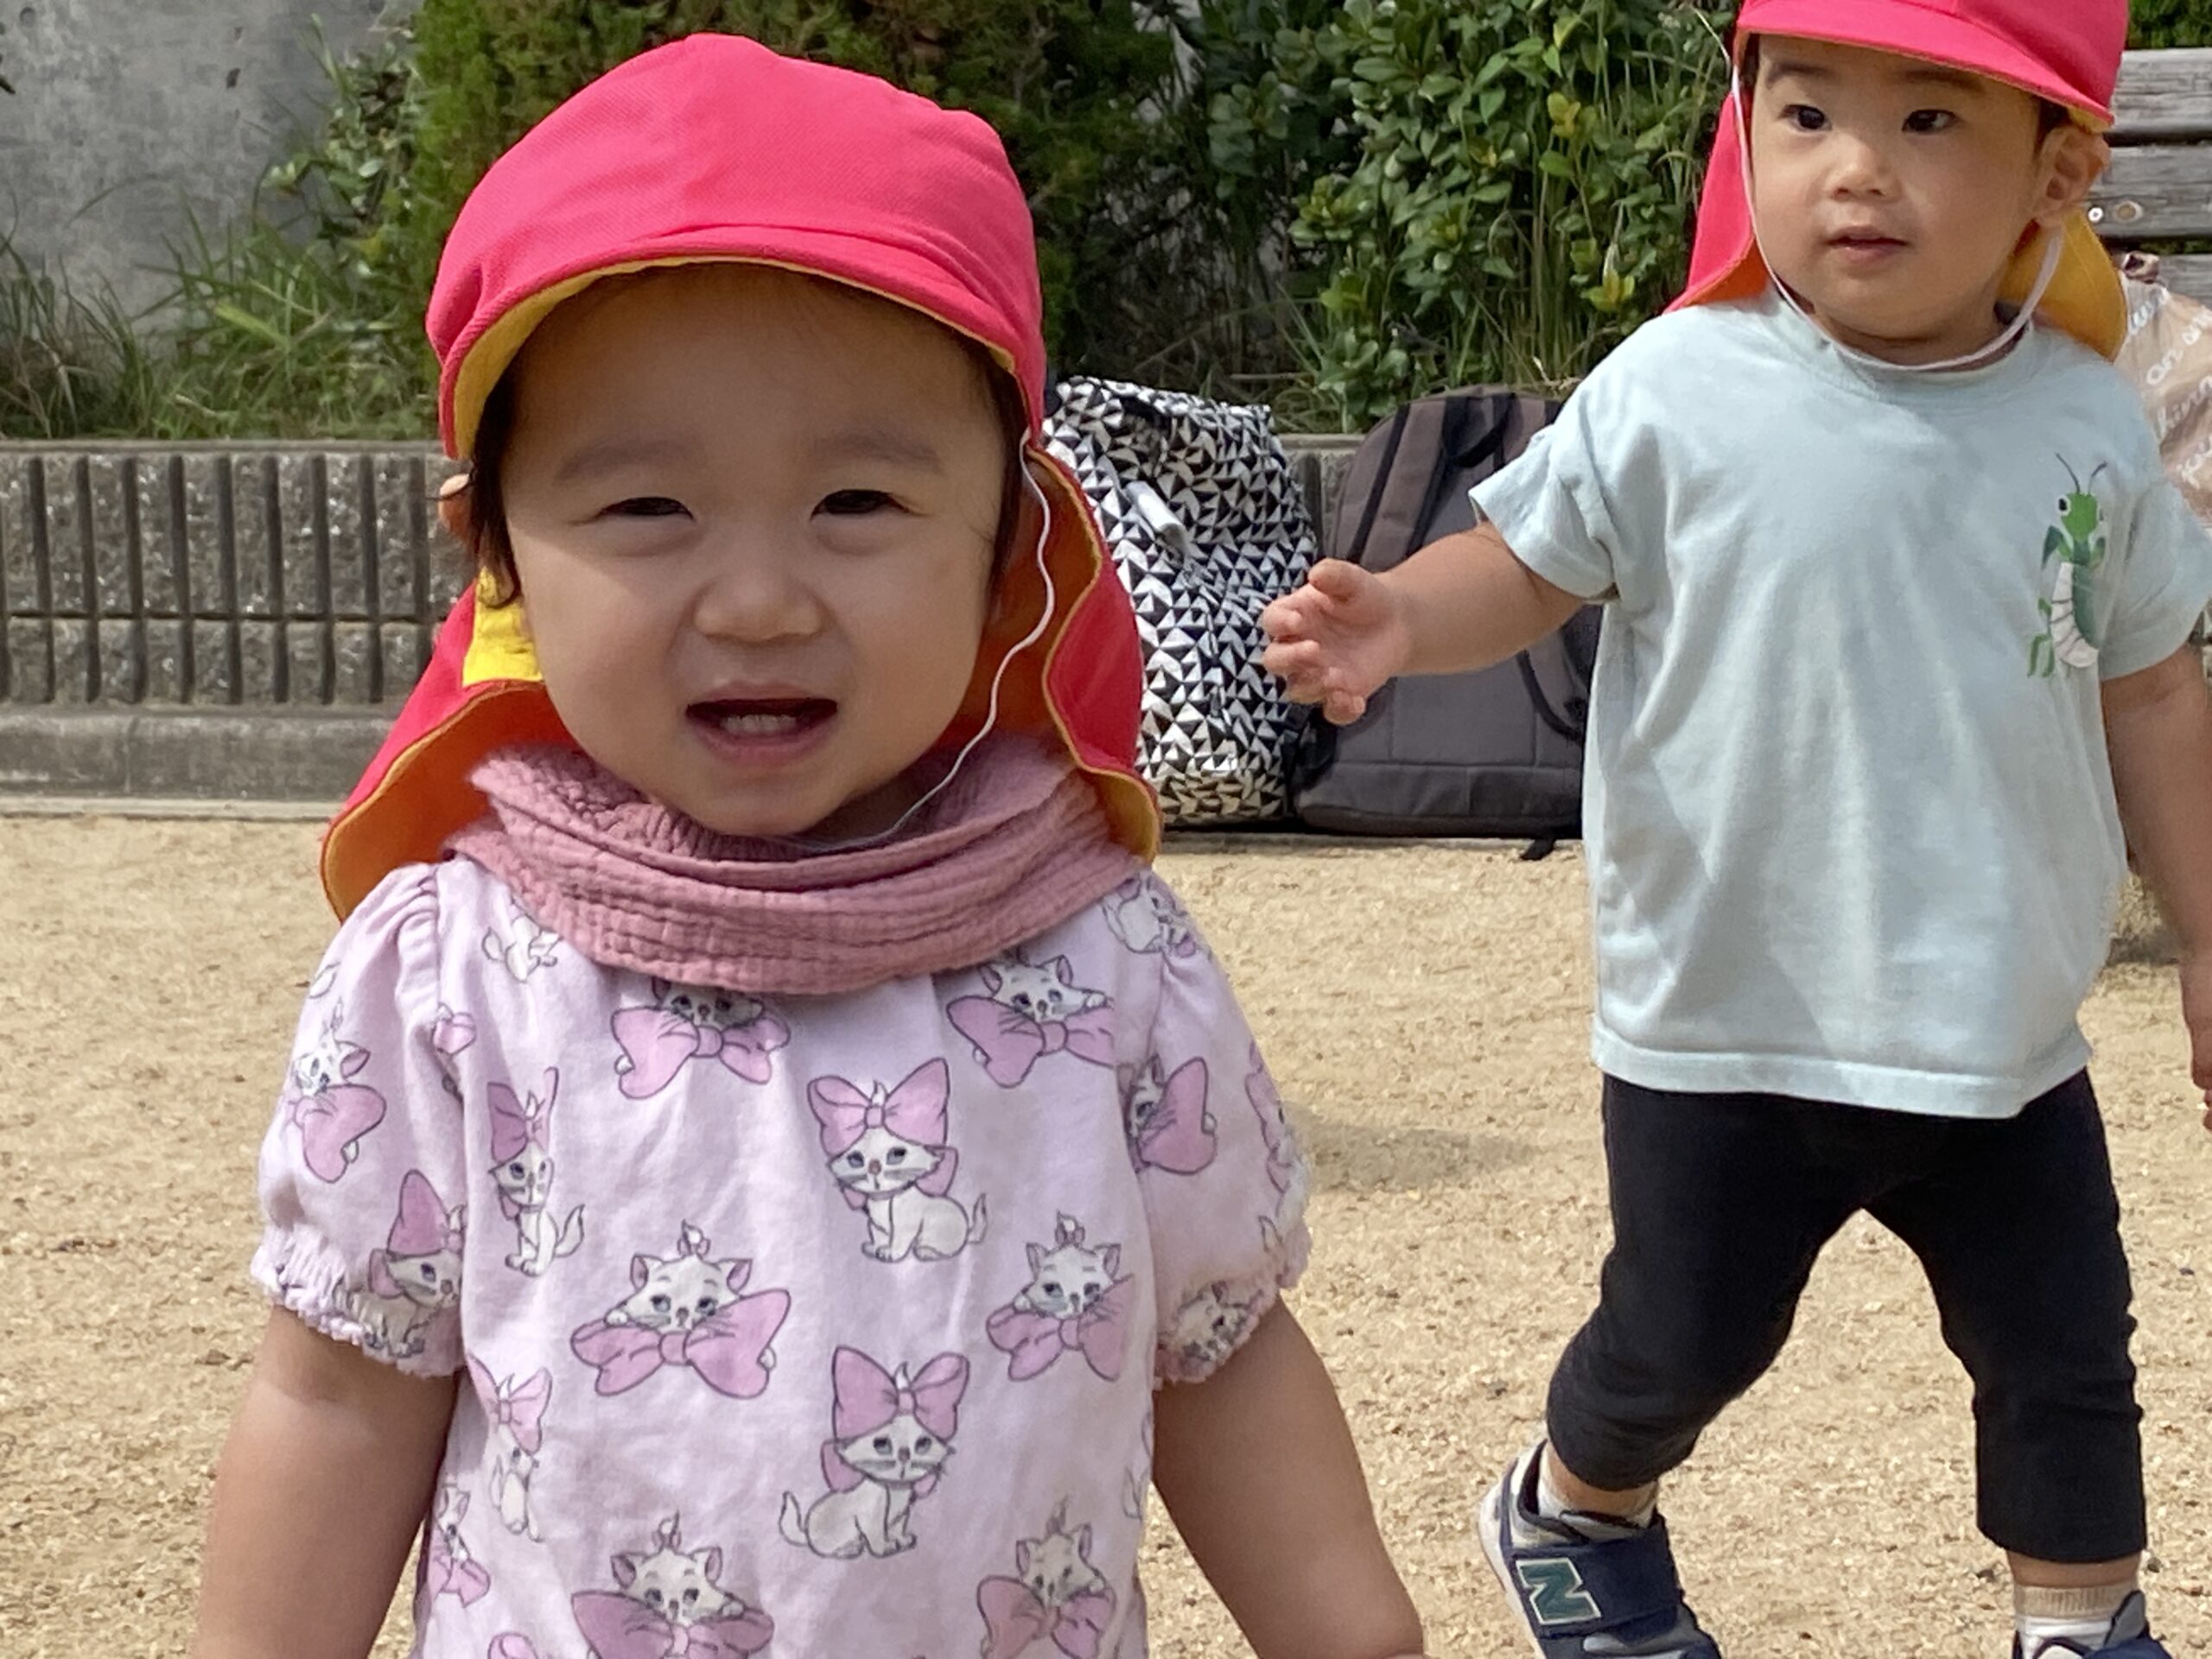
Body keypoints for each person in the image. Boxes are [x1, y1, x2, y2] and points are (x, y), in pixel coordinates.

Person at [190, 35, 1427, 1659]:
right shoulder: (452, 977)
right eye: (647, 510)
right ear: (494, 553)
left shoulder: (1099, 955)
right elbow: (343, 1397)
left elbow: (1221, 1349)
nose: (762, 601)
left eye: (857, 504)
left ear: (1011, 549)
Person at [1263, 3, 2212, 1656]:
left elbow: (2149, 689)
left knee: (2066, 1361)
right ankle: (1576, 1505)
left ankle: (2080, 1618)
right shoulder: (1682, 387)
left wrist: (2204, 932)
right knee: (1680, 1341)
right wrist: (1403, 617)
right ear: (1748, 127)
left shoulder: (2088, 422)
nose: (1860, 169)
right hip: (1724, 1024)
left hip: (2001, 1030)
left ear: (2056, 176)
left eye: (1931, 122)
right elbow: (1531, 562)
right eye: (1809, 114)